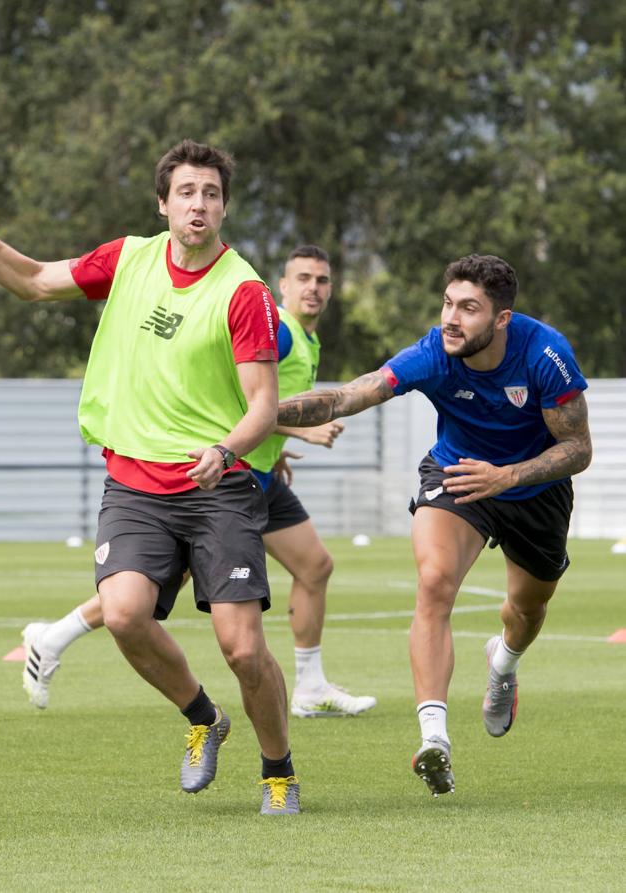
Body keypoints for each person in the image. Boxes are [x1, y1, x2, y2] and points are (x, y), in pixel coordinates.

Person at [0, 139, 301, 815]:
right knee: (122, 614)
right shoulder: (129, 257)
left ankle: (278, 771)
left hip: (219, 487)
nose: (199, 205)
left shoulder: (244, 292)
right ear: (163, 203)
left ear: (223, 207)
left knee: (243, 649)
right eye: (186, 192)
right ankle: (204, 718)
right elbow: (34, 279)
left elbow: (263, 406)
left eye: (211, 193)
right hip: (135, 483)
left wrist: (225, 447)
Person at [274, 253, 592, 797]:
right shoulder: (433, 354)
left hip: (532, 489)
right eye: (448, 303)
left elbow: (578, 448)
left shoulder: (545, 355)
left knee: (527, 609)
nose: (451, 318)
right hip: (456, 475)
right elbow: (350, 394)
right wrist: (261, 414)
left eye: (468, 308)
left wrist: (508, 476)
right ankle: (434, 738)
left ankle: (503, 664)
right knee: (435, 581)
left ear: (500, 319)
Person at [20, 245, 376, 719]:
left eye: (323, 280)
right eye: (303, 279)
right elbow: (238, 398)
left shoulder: (307, 340)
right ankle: (54, 636)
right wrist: (299, 428)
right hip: (219, 475)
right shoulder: (282, 332)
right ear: (282, 285)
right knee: (150, 588)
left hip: (260, 471)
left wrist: (276, 446)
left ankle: (310, 685)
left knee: (315, 567)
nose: (313, 288)